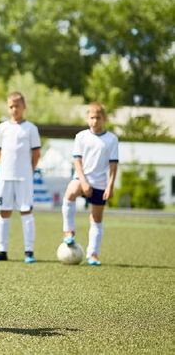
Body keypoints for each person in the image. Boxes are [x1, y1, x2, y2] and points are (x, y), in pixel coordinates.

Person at [0, 92, 41, 263]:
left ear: (24, 107)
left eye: (17, 106)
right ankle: (2, 251)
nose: (14, 109)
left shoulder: (31, 128)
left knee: (26, 211)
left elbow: (36, 153)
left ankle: (29, 251)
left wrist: (29, 170)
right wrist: (5, 168)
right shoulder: (2, 128)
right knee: (3, 212)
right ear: (8, 108)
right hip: (5, 178)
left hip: (24, 178)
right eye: (11, 106)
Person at [61, 102, 118, 266]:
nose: (95, 121)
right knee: (71, 192)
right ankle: (68, 231)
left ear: (104, 119)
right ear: (87, 119)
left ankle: (93, 254)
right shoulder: (81, 136)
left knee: (96, 218)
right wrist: (84, 182)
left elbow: (113, 165)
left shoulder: (111, 139)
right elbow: (77, 161)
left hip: (100, 183)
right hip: (82, 178)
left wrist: (110, 186)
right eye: (92, 118)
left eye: (98, 118)